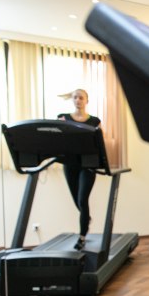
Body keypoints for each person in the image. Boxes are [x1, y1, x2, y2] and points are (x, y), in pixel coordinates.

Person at [57, 89, 101, 251]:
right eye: (75, 97)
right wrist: (60, 125)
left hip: (88, 164)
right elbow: (57, 139)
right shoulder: (63, 118)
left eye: (81, 98)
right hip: (70, 164)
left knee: (83, 200)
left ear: (86, 101)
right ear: (72, 100)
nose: (78, 100)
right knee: (77, 200)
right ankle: (86, 218)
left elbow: (100, 143)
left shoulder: (94, 121)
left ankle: (82, 235)